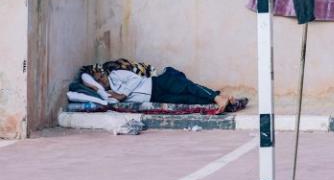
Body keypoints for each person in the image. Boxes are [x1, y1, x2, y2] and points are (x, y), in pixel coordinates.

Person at [82, 66, 244, 114]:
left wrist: (122, 94)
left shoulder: (116, 75)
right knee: (187, 99)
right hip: (155, 97)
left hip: (158, 83)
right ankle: (226, 101)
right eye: (97, 79)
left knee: (188, 87)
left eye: (101, 75)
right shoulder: (106, 94)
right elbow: (112, 101)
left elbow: (135, 79)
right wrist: (97, 88)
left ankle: (218, 98)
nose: (101, 78)